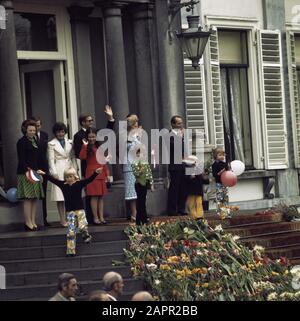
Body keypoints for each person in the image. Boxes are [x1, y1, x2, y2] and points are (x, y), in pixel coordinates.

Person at [38, 167, 103, 256]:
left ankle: (86, 235)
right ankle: (71, 250)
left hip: (80, 211)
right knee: (71, 232)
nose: (69, 178)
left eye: (70, 176)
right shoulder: (63, 185)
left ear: (75, 176)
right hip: (70, 212)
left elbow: (89, 180)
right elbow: (52, 180)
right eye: (67, 177)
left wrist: (95, 172)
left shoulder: (79, 184)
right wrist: (43, 174)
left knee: (82, 226)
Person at [73, 106, 115, 224]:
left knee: (100, 196)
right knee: (92, 196)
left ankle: (99, 218)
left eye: (92, 120)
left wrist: (110, 117)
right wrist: (86, 147)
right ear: (83, 122)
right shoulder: (78, 136)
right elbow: (79, 155)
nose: (91, 122)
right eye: (89, 120)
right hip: (88, 169)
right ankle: (92, 218)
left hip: (100, 170)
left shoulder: (95, 131)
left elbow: (108, 132)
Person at [48, 122, 78, 227]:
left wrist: (76, 171)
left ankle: (72, 219)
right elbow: (51, 160)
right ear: (55, 133)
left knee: (71, 195)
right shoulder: (51, 144)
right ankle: (62, 219)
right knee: (60, 197)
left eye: (62, 131)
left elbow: (73, 157)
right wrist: (54, 173)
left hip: (70, 169)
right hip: (59, 169)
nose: (60, 134)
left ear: (65, 132)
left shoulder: (70, 142)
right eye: (58, 132)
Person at [17, 120, 44, 231]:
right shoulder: (21, 142)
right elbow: (22, 160)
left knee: (34, 198)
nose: (32, 132)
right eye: (30, 130)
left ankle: (33, 221)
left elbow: (36, 160)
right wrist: (31, 172)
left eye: (34, 130)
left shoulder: (35, 141)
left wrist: (39, 172)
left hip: (35, 172)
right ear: (25, 130)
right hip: (25, 173)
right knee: (28, 198)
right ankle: (28, 222)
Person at [79, 128, 109, 225]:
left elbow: (103, 162)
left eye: (93, 136)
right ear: (87, 137)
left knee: (101, 197)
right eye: (90, 137)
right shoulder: (86, 147)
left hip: (101, 173)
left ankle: (101, 217)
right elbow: (82, 157)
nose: (92, 138)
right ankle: (95, 218)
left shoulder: (99, 147)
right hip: (92, 173)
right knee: (94, 196)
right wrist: (84, 145)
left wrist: (107, 174)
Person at [165, 116, 188, 216]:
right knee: (174, 188)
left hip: (184, 165)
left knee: (183, 188)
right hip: (174, 166)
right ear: (173, 124)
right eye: (178, 123)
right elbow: (174, 148)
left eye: (181, 123)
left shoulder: (181, 136)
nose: (181, 125)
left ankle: (181, 209)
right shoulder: (168, 135)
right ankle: (172, 210)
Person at [30, 117, 50, 227]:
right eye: (35, 125)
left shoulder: (45, 135)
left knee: (43, 194)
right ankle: (35, 220)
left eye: (38, 125)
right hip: (33, 167)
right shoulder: (29, 137)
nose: (37, 127)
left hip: (43, 167)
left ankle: (44, 218)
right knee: (34, 194)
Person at [123, 114, 141, 222]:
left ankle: (140, 211)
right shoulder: (126, 136)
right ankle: (133, 213)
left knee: (140, 190)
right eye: (135, 123)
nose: (136, 125)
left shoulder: (137, 136)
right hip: (129, 165)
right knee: (132, 191)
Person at [132, 145, 154, 225]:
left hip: (144, 184)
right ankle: (141, 219)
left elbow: (149, 173)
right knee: (140, 202)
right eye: (139, 153)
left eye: (142, 153)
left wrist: (151, 184)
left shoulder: (145, 162)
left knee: (143, 202)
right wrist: (140, 170)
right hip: (139, 184)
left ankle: (142, 219)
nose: (141, 155)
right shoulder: (135, 162)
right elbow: (136, 174)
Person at [212, 148, 231, 219]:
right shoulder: (214, 165)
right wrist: (223, 170)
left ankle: (227, 213)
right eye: (220, 155)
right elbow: (215, 175)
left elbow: (228, 173)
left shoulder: (224, 164)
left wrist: (228, 169)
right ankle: (221, 214)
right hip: (219, 183)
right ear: (215, 156)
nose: (222, 156)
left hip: (225, 183)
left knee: (226, 199)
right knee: (220, 199)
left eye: (223, 155)